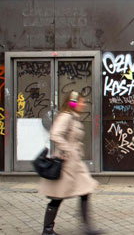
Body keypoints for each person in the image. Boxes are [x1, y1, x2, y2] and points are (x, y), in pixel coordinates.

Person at [39, 91, 102, 235]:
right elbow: (55, 134)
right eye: (80, 102)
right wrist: (67, 150)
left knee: (85, 191)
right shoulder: (66, 117)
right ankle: (47, 230)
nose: (83, 104)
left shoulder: (73, 118)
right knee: (58, 196)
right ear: (72, 103)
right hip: (66, 164)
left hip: (75, 164)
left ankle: (87, 228)